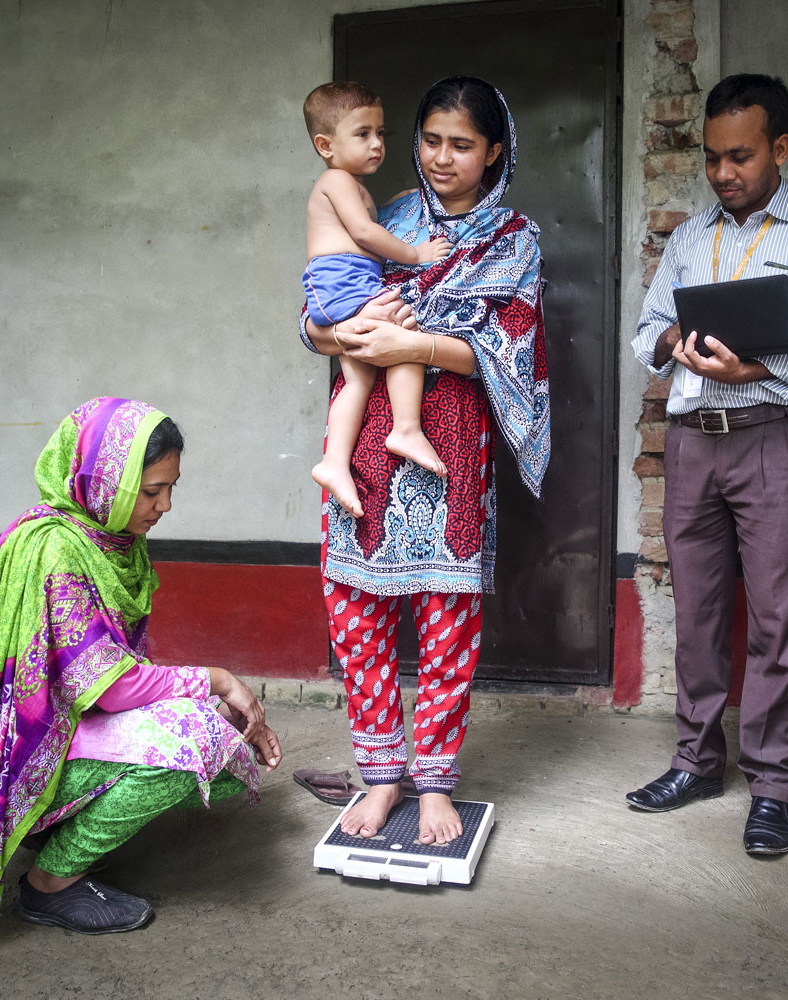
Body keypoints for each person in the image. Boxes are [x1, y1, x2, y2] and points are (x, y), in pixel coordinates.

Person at [301, 76, 550, 846]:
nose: (441, 159)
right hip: (364, 438)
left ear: (495, 151)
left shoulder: (515, 239)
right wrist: (336, 336)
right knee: (358, 613)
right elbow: (316, 309)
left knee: (446, 620)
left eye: (462, 145)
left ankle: (436, 780)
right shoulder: (389, 213)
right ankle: (380, 778)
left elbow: (513, 346)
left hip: (449, 446)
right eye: (431, 140)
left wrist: (418, 345)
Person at [0, 397, 282, 937]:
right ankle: (49, 884)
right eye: (150, 491)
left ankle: (58, 832)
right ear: (105, 482)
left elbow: (113, 673)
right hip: (25, 754)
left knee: (219, 732)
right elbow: (108, 686)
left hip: (66, 726)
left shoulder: (113, 539)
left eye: (171, 488)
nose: (164, 506)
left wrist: (214, 700)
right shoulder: (55, 549)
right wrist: (218, 679)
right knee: (196, 737)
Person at [625, 74, 788, 857]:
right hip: (694, 441)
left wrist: (746, 370)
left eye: (740, 156)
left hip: (773, 437)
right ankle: (695, 762)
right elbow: (648, 329)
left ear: (779, 148)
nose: (723, 173)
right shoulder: (691, 237)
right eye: (712, 157)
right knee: (697, 613)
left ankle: (775, 786)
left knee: (779, 618)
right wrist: (675, 344)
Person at [302, 80, 453, 516]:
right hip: (345, 284)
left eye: (381, 133)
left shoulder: (351, 186)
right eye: (363, 134)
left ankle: (334, 462)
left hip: (341, 286)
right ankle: (405, 428)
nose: (376, 144)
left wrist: (393, 205)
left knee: (359, 378)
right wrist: (416, 254)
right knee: (404, 334)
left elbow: (367, 220)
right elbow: (366, 233)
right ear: (325, 145)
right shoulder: (335, 179)